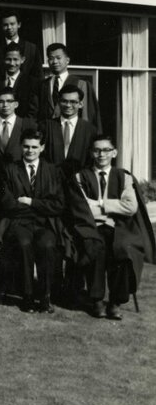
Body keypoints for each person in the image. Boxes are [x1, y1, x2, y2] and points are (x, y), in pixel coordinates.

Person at [69, 134, 156, 320]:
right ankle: (97, 300)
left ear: (114, 152)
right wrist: (114, 206)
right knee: (96, 247)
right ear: (91, 153)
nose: (101, 154)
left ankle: (116, 301)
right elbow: (83, 209)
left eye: (106, 150)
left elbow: (130, 207)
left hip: (120, 226)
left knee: (124, 249)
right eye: (97, 150)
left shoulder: (123, 177)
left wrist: (99, 204)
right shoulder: (80, 177)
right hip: (90, 226)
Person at [0, 128, 66, 313]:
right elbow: (7, 203)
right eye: (26, 147)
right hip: (18, 223)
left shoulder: (53, 171)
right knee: (24, 244)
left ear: (42, 147)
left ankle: (45, 296)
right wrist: (40, 206)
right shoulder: (10, 170)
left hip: (44, 224)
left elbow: (59, 204)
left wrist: (31, 202)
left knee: (47, 245)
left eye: (34, 147)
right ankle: (27, 296)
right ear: (21, 146)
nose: (30, 151)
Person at [38, 43, 101, 130]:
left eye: (58, 58)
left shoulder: (81, 84)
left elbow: (86, 116)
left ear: (67, 60)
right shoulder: (43, 85)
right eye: (51, 58)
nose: (55, 61)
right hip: (47, 135)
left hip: (72, 133)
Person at [43, 85, 98, 178]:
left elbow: (91, 160)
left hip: (79, 183)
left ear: (81, 104)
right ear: (59, 102)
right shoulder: (46, 126)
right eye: (64, 101)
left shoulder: (90, 130)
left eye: (73, 102)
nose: (68, 105)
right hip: (50, 182)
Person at [0, 87, 33, 182]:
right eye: (1, 101)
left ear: (16, 104)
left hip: (20, 177)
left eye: (9, 101)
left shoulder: (27, 124)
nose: (5, 105)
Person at [0, 10, 41, 82]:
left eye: (12, 24)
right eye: (5, 25)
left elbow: (38, 75)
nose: (9, 27)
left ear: (19, 24)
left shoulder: (31, 48)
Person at [0, 44, 39, 118]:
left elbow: (33, 111)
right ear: (3, 59)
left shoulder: (31, 82)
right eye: (8, 59)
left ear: (22, 60)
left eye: (15, 59)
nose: (12, 63)